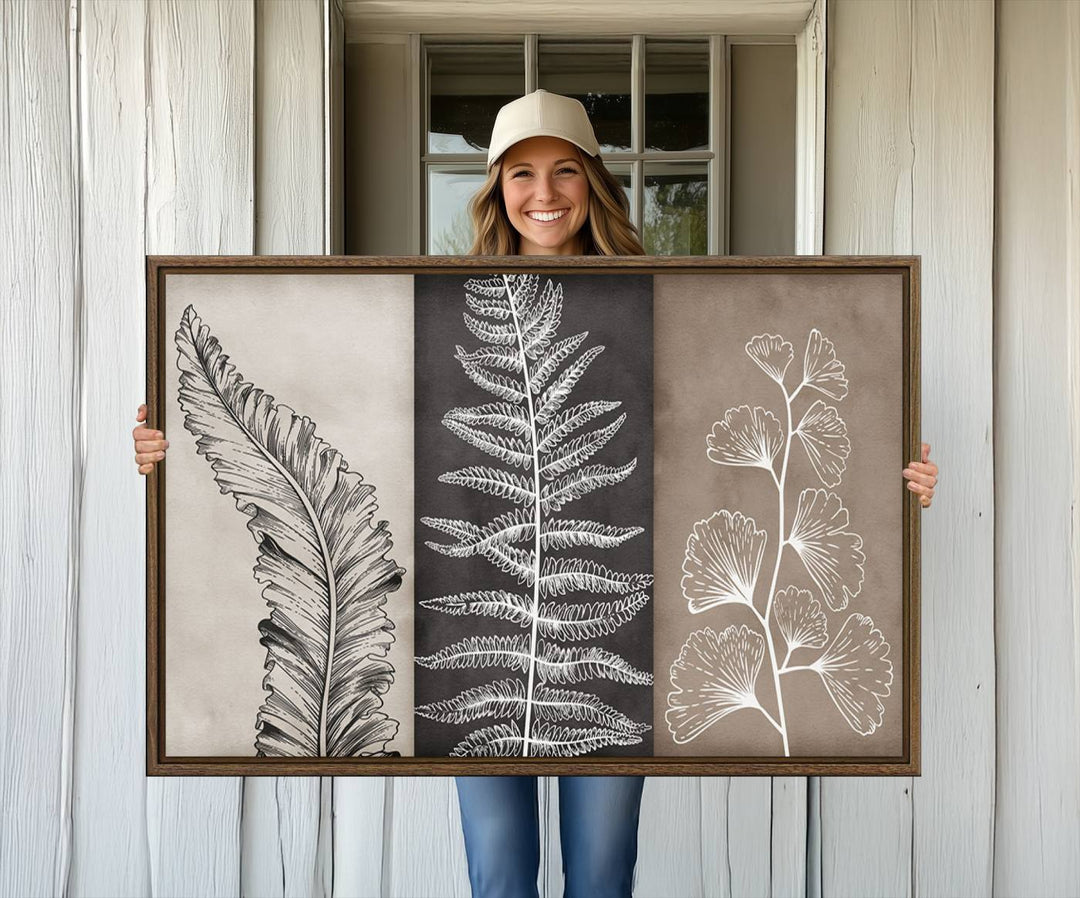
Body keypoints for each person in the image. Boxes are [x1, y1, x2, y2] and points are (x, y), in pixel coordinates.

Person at [131, 90, 939, 898]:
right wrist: (171, 442)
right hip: (475, 627)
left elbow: (730, 431)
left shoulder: (666, 303)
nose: (544, 194)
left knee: (600, 875)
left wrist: (888, 478)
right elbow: (352, 411)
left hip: (610, 639)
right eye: (522, 173)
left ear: (593, 183)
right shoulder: (438, 306)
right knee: (499, 876)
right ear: (496, 189)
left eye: (564, 172)